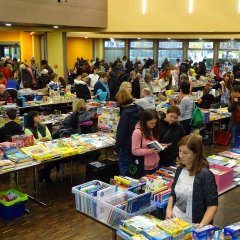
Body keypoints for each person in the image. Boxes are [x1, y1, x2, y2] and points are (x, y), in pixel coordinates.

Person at [166, 135, 218, 225]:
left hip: (194, 224)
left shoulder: (205, 175)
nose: (181, 156)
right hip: (175, 220)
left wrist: (201, 226)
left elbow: (212, 205)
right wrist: (168, 209)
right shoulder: (179, 169)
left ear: (196, 154)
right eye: (180, 151)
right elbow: (173, 193)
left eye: (186, 153)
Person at [115, 89, 143, 176]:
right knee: (134, 166)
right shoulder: (140, 109)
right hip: (139, 143)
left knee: (124, 165)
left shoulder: (125, 114)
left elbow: (121, 133)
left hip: (126, 145)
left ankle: (124, 184)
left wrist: (117, 148)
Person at [132, 109, 160, 175]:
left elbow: (151, 142)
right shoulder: (137, 133)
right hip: (143, 167)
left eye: (155, 123)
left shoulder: (152, 129)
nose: (154, 125)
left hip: (155, 164)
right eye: (151, 123)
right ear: (145, 122)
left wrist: (159, 146)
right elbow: (135, 151)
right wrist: (150, 151)